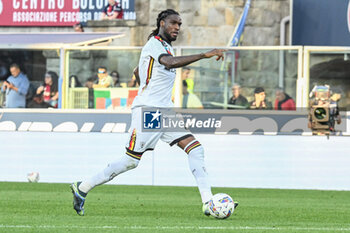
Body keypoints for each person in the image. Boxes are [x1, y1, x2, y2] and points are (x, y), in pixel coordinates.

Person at [70, 9, 237, 217]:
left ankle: (207, 203)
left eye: (180, 24)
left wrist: (145, 83)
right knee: (130, 161)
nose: (177, 27)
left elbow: (139, 72)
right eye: (173, 23)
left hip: (164, 112)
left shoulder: (164, 46)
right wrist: (204, 54)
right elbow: (168, 63)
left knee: (195, 149)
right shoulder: (155, 44)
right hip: (150, 113)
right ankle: (83, 187)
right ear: (162, 23)